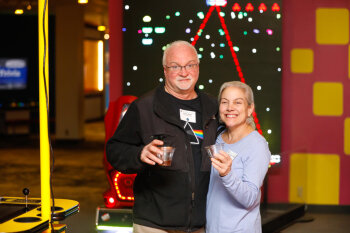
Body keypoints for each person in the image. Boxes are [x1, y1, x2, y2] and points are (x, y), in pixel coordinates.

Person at [106, 40, 218, 233]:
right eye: (175, 66)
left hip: (201, 223)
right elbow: (114, 150)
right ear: (165, 70)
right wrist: (139, 154)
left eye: (190, 65)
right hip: (154, 223)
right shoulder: (144, 107)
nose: (184, 72)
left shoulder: (212, 108)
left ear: (198, 67)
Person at [206, 81, 271, 233]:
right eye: (225, 102)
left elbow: (250, 199)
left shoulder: (257, 145)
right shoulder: (218, 138)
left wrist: (227, 174)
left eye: (238, 102)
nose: (230, 108)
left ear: (250, 109)